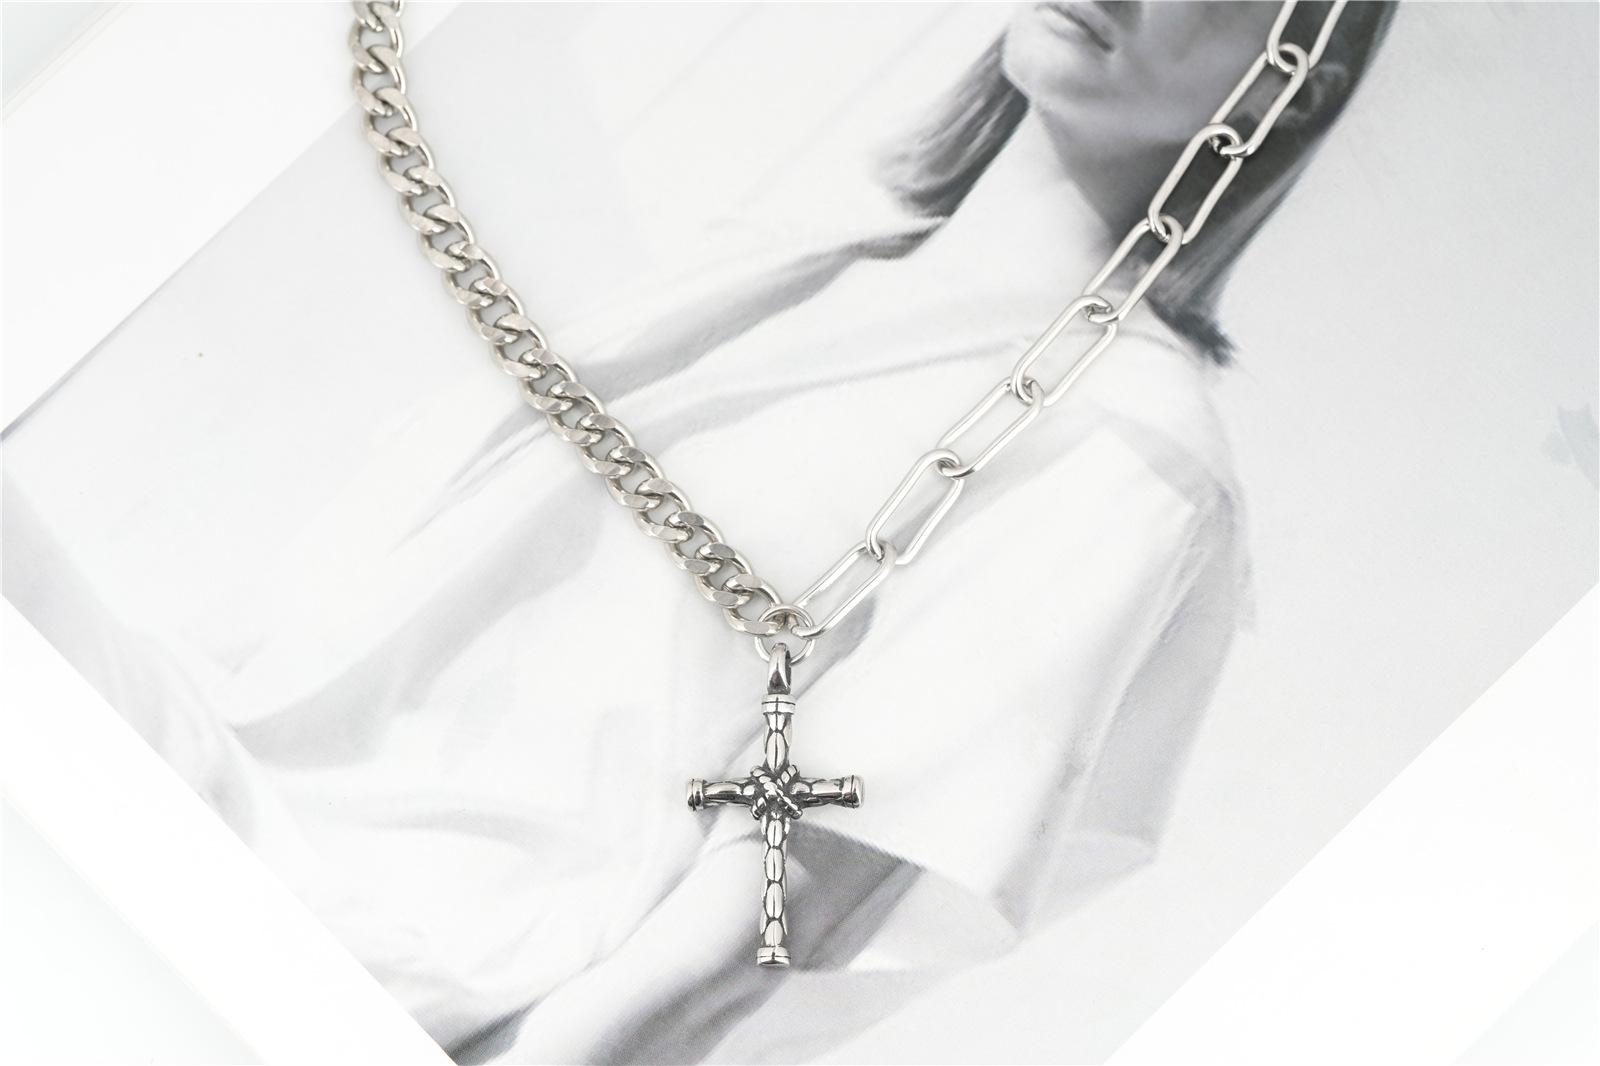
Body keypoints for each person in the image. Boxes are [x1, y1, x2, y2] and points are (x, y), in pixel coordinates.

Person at [3, 3, 1395, 1062]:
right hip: (233, 765)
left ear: (1298, 75)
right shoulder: (805, 256)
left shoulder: (1127, 459)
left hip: (390, 947)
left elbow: (759, 928)